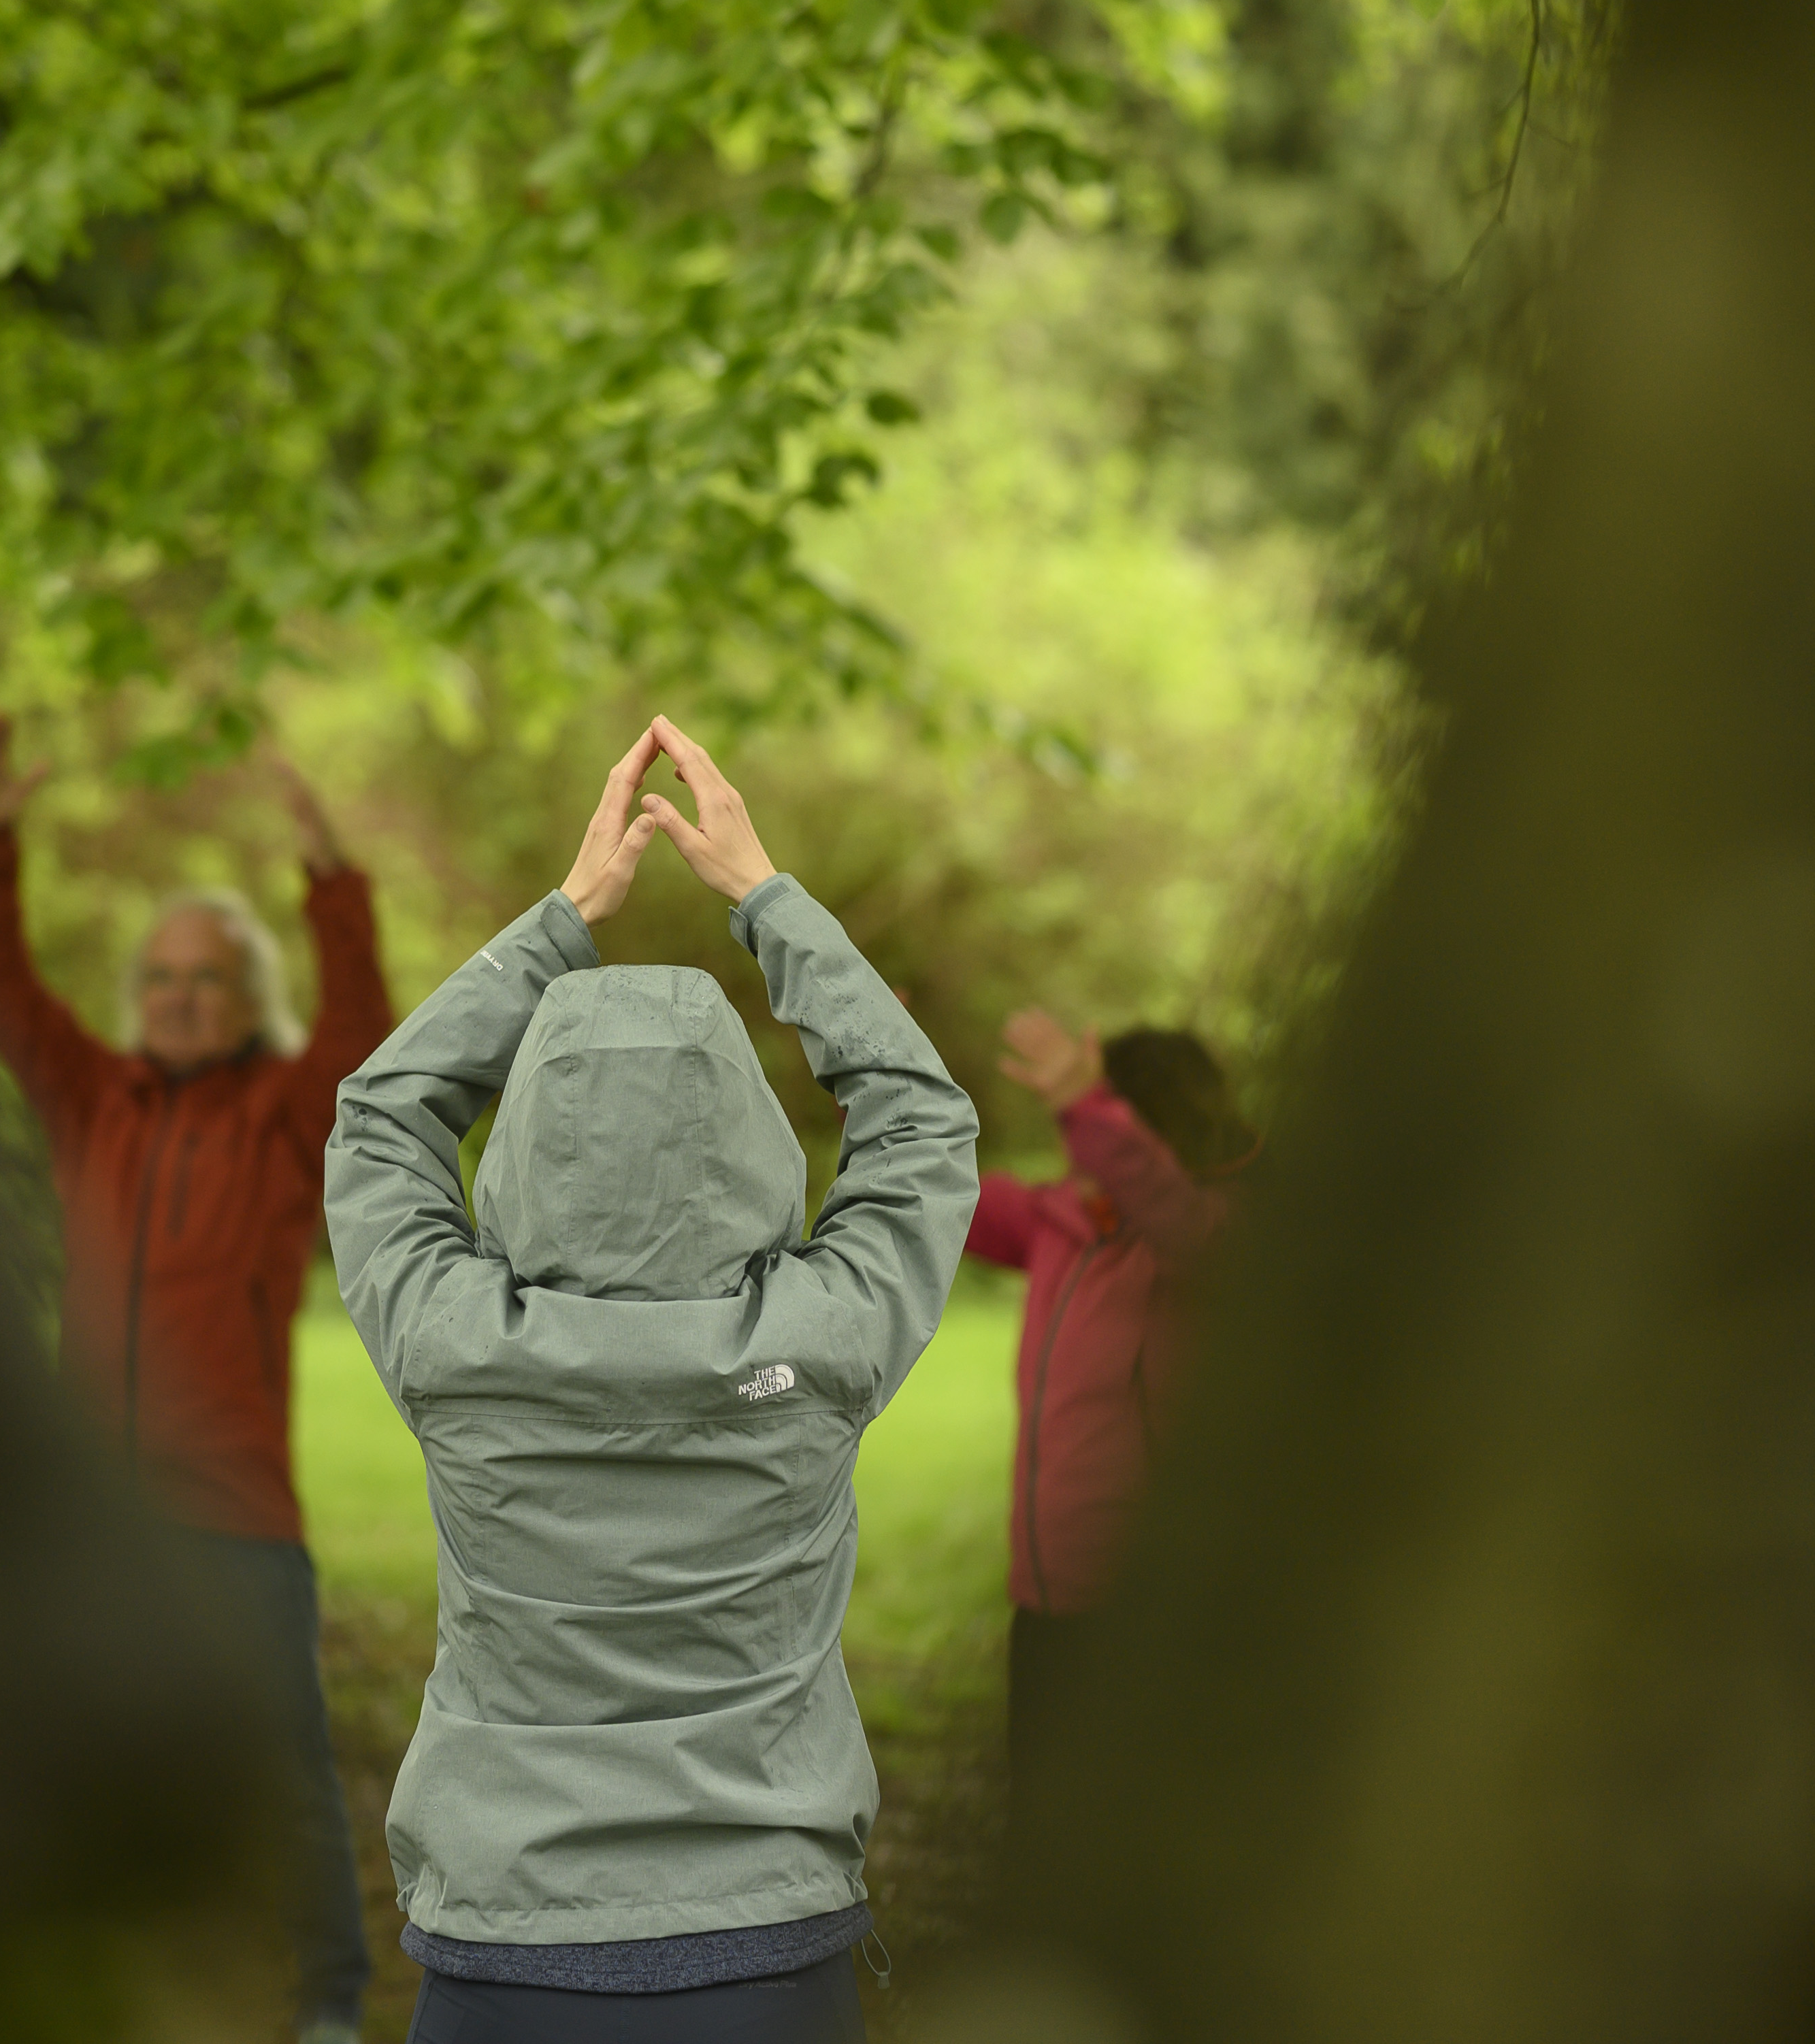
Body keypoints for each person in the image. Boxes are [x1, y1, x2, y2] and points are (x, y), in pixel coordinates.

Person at [327, 720, 978, 2044]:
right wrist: (766, 896)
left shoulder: (456, 1343)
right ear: (743, 1130)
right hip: (766, 1949)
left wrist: (565, 918)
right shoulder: (822, 1339)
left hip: (505, 1954)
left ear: (533, 1138)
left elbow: (384, 1117)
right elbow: (921, 1118)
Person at [0, 710, 393, 2044]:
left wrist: (331, 874)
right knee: (73, 1772)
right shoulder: (95, 1096)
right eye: (159, 975)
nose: (177, 994)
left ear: (247, 995)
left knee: (291, 1776)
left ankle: (327, 2000)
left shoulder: (287, 1113)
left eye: (205, 978)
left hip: (236, 1511)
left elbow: (367, 1024)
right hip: (91, 1509)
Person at [972, 1005, 1257, 1808]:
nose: (1083, 1150)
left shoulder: (1209, 1237)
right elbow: (941, 1190)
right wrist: (873, 1077)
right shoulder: (1063, 1222)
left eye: (1106, 1127)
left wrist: (1086, 1103)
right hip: (1045, 1601)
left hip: (1144, 1611)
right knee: (1043, 1818)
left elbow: (1162, 1199)